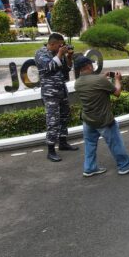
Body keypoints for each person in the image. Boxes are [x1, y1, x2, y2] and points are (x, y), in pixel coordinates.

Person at [73, 57, 129, 177]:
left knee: (90, 145)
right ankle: (125, 166)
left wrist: (103, 77)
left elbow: (93, 84)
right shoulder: (98, 80)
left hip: (88, 119)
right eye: (91, 64)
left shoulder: (78, 82)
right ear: (88, 66)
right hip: (103, 120)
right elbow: (117, 93)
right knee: (115, 143)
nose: (93, 66)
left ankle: (89, 168)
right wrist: (117, 80)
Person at [35, 33, 78, 162]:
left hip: (61, 90)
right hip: (50, 93)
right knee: (53, 121)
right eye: (60, 45)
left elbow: (66, 70)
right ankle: (51, 150)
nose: (62, 47)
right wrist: (60, 54)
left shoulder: (58, 53)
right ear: (52, 44)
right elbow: (50, 67)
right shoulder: (41, 54)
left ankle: (63, 142)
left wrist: (69, 57)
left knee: (65, 116)